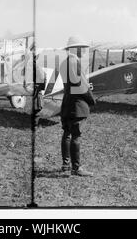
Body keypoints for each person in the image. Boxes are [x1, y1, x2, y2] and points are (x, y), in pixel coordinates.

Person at [59, 36, 96, 177]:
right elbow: (78, 86)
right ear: (76, 48)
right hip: (77, 106)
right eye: (82, 48)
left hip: (67, 103)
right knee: (76, 136)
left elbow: (71, 84)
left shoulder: (65, 62)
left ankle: (65, 166)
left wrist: (86, 85)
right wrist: (91, 99)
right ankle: (76, 168)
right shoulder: (74, 62)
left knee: (67, 134)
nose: (84, 51)